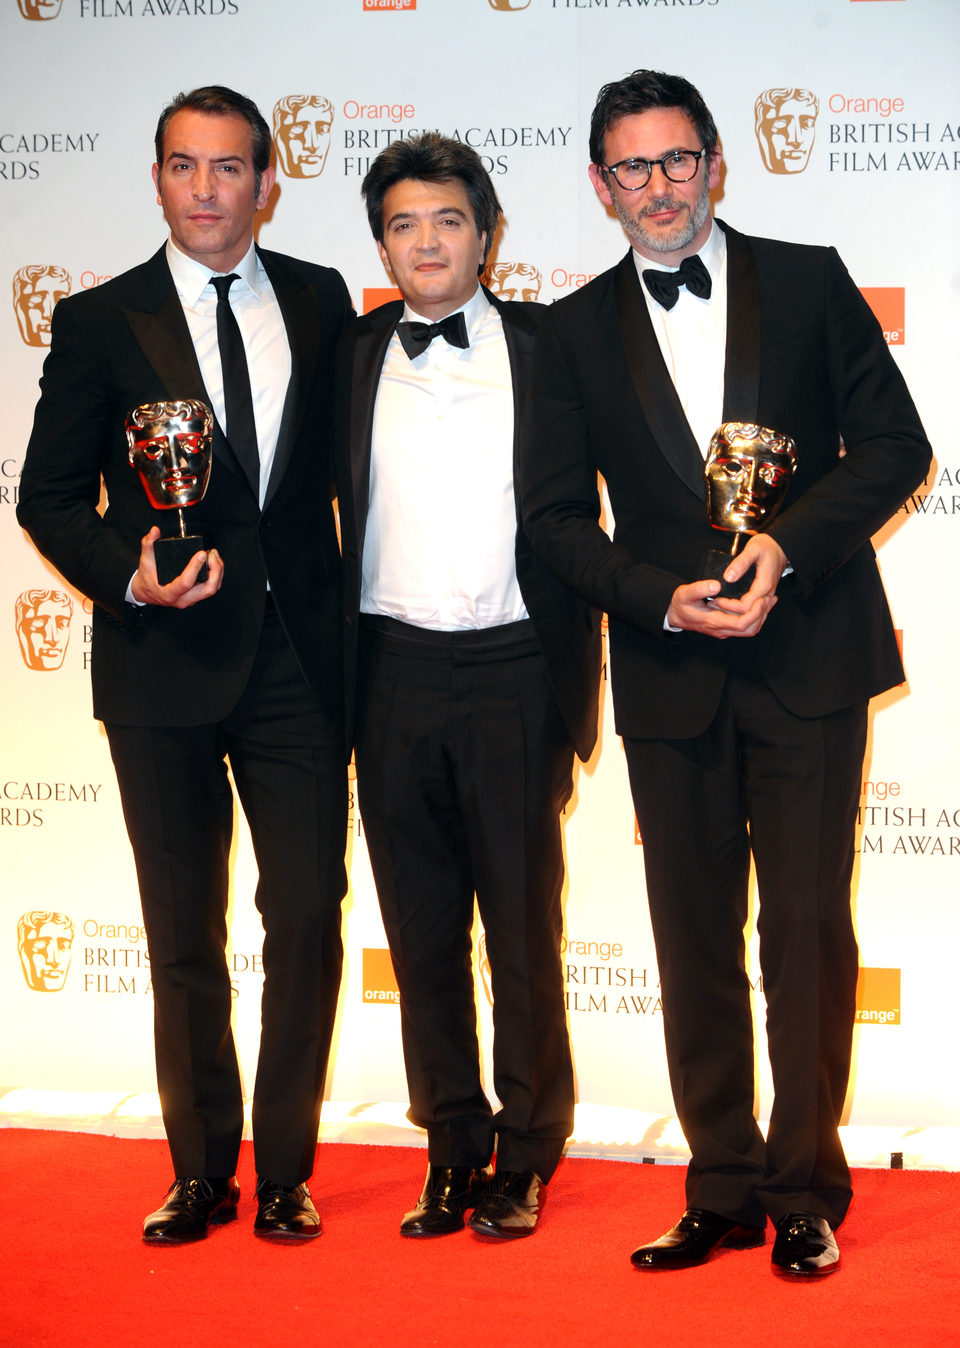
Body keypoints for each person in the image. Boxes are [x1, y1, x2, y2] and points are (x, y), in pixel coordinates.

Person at [520, 69, 930, 1278]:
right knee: (693, 933)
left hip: (808, 657)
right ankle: (722, 1186)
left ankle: (805, 1188)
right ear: (602, 186)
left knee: (805, 929)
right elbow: (550, 520)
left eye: (677, 160)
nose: (657, 187)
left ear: (717, 165)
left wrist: (785, 549)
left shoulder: (807, 279)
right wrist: (659, 596)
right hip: (669, 669)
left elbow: (900, 445)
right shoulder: (574, 329)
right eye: (631, 169)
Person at [18, 85, 353, 1245]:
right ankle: (203, 1168)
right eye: (182, 167)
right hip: (161, 662)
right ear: (157, 179)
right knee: (183, 930)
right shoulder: (101, 318)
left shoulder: (321, 300)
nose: (205, 190)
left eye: (228, 169)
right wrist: (129, 572)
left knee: (308, 915)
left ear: (268, 181)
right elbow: (47, 497)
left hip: (301, 663)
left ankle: (287, 1171)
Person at [335, 132, 600, 1240]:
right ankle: (450, 1147)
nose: (427, 240)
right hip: (387, 670)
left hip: (513, 671)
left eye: (448, 220)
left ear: (487, 235)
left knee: (524, 928)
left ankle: (529, 1150)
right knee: (422, 929)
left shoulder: (553, 347)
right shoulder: (348, 354)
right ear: (383, 244)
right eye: (404, 223)